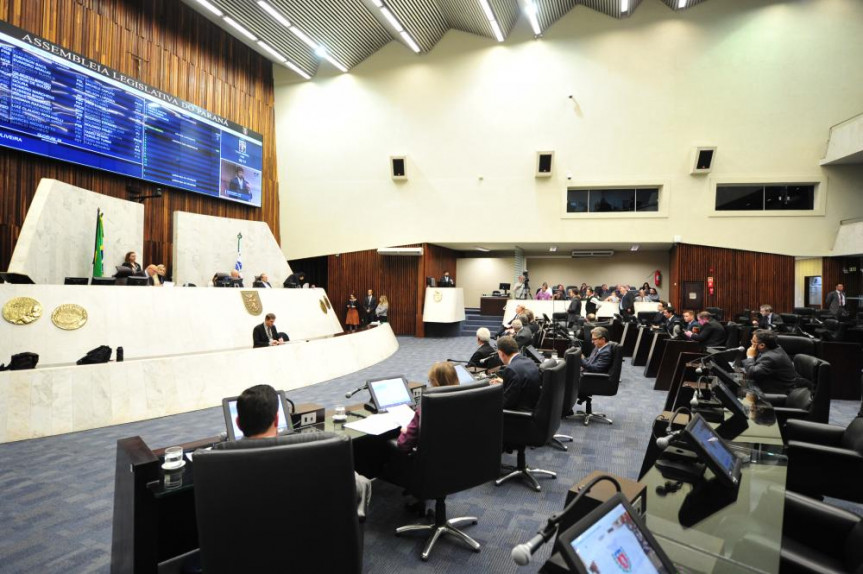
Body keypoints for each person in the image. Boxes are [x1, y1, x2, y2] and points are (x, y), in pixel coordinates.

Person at [228, 384, 371, 520]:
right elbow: (359, 486)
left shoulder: (219, 463)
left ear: (238, 423)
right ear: (276, 420)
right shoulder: (316, 454)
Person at [397, 362, 459, 452]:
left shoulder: (427, 408)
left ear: (434, 382)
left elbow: (403, 444)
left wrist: (405, 431)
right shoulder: (468, 401)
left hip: (435, 457)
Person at [743, 330, 809, 394]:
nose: (751, 343)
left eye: (753, 341)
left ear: (762, 345)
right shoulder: (774, 349)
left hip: (779, 392)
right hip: (774, 384)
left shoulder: (770, 357)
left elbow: (753, 374)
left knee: (741, 390)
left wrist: (750, 356)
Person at [490, 336, 541, 411]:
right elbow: (521, 382)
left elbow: (505, 403)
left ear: (501, 353)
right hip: (532, 405)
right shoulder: (529, 361)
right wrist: (504, 382)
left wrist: (491, 393)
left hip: (519, 413)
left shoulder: (511, 369)